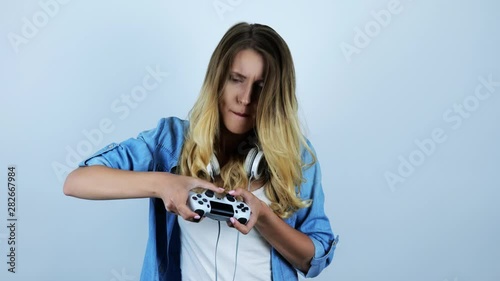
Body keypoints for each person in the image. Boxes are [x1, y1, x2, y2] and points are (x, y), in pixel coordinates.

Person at [64, 22, 338, 281]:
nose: (245, 98)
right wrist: (164, 183)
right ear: (217, 80)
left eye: (261, 86)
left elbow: (313, 259)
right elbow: (77, 182)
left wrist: (264, 217)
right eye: (236, 79)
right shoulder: (171, 141)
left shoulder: (296, 156)